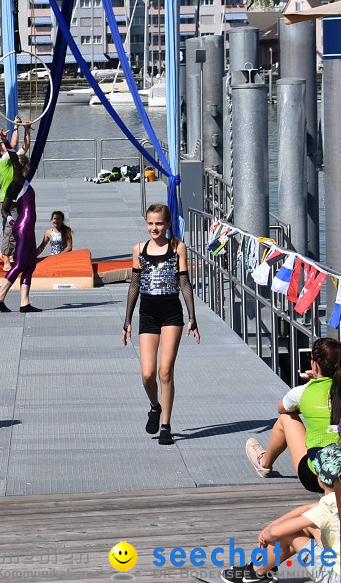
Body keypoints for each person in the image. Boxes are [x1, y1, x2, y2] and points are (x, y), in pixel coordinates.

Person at [122, 203, 200, 445]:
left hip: (171, 314)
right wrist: (127, 321)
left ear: (167, 225)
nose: (154, 228)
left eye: (158, 223)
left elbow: (184, 283)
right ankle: (154, 406)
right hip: (148, 313)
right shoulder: (139, 249)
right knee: (147, 373)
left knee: (165, 371)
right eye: (150, 223)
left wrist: (192, 317)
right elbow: (134, 285)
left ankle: (166, 425)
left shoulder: (178, 248)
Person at [220, 442, 341, 583]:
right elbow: (307, 509)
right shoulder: (334, 502)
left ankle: (257, 571)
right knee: (307, 525)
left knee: (292, 533)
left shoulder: (327, 507)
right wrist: (271, 526)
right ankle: (260, 570)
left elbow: (277, 532)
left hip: (333, 577)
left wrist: (267, 534)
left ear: (319, 479)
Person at [245, 337, 341, 492]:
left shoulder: (303, 392)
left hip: (316, 476)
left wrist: (311, 387)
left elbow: (282, 408)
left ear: (314, 365)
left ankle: (264, 463)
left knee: (286, 418)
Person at [0, 147, 40, 314]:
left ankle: (24, 303)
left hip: (26, 227)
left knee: (30, 264)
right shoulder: (19, 181)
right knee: (20, 264)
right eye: (25, 168)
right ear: (23, 168)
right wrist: (6, 141)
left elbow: (4, 210)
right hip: (24, 227)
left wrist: (12, 222)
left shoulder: (14, 186)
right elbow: (14, 160)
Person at [0, 118, 30, 271]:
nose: (10, 147)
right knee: (9, 231)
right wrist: (16, 127)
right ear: (2, 152)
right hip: (7, 201)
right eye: (6, 146)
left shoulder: (13, 160)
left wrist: (27, 129)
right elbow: (14, 145)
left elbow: (25, 146)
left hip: (18, 199)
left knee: (16, 230)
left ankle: (12, 255)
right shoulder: (3, 161)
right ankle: (6, 261)